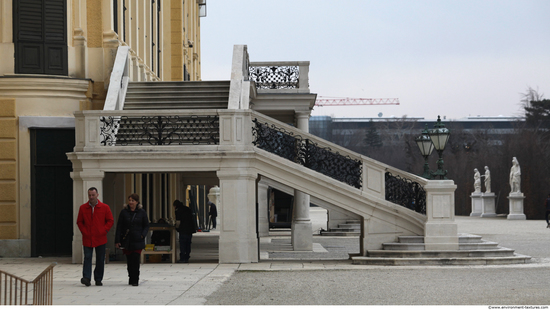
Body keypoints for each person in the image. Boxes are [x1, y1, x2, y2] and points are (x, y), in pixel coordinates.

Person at [76, 187, 114, 287]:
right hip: (88, 237)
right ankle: (86, 278)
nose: (91, 197)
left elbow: (110, 220)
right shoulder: (83, 208)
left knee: (100, 259)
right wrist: (84, 231)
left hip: (100, 237)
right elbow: (79, 222)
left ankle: (98, 278)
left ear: (97, 195)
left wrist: (104, 230)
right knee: (87, 257)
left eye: (93, 195)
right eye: (89, 195)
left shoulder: (105, 207)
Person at [115, 193, 149, 286]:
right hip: (127, 240)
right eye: (129, 200)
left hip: (138, 239)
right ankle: (131, 277)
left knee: (135, 260)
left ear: (137, 202)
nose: (130, 202)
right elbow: (119, 226)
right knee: (129, 261)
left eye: (132, 200)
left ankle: (135, 279)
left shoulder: (142, 212)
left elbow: (146, 225)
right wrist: (117, 240)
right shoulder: (124, 212)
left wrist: (143, 235)